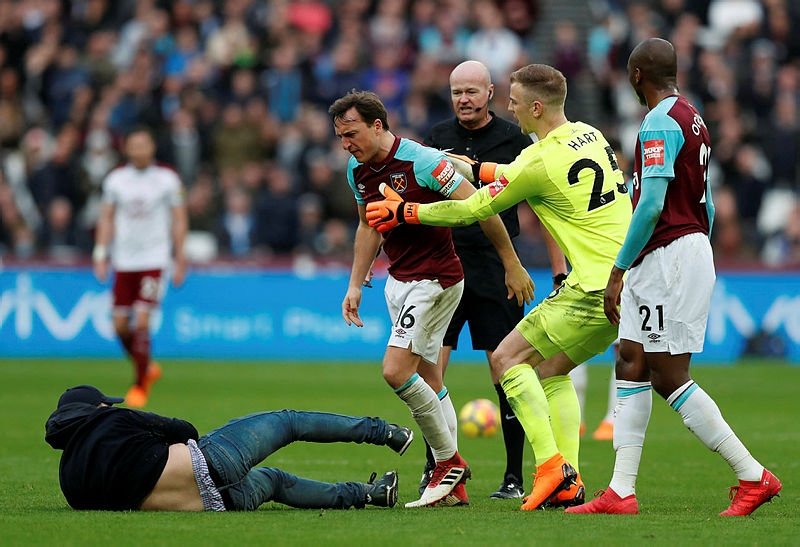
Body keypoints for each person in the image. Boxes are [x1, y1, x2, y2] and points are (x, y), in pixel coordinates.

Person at [366, 64, 632, 511]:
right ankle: (569, 479)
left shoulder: (537, 159)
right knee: (552, 370)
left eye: (514, 101)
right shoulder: (589, 134)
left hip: (591, 287)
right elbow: (519, 172)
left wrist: (407, 212)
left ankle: (550, 468)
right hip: (623, 281)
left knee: (507, 359)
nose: (509, 107)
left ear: (535, 107)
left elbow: (471, 209)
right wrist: (475, 166)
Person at [567, 38, 782, 517]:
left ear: (636, 75)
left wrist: (620, 269)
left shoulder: (659, 121)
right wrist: (696, 243)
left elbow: (651, 203)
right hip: (675, 249)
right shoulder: (694, 117)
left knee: (668, 374)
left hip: (668, 254)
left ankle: (753, 475)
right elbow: (707, 201)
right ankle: (621, 491)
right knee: (630, 360)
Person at [329, 90, 534, 508]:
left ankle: (448, 463)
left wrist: (511, 262)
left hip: (436, 280)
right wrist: (354, 283)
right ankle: (454, 487)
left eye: (351, 134)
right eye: (340, 137)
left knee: (395, 371)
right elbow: (368, 226)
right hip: (399, 280)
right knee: (430, 380)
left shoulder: (422, 161)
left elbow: (482, 206)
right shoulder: (357, 169)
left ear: (377, 126)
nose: (346, 144)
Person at [421, 60, 567, 500]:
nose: (464, 99)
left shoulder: (514, 139)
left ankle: (514, 477)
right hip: (444, 265)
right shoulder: (436, 138)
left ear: (489, 93)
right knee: (431, 371)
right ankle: (436, 469)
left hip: (499, 268)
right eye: (456, 92)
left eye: (472, 91)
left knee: (506, 368)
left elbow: (544, 207)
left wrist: (557, 270)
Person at [44, 384, 411, 511]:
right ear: (96, 408)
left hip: (213, 504)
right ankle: (384, 432)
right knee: (290, 422)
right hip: (210, 463)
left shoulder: (69, 482)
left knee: (275, 482)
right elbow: (184, 429)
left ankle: (371, 495)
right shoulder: (112, 420)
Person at [93, 127, 188, 408]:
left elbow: (179, 218)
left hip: (154, 259)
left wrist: (179, 257)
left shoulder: (167, 179)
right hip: (124, 260)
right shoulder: (116, 180)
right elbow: (106, 217)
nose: (139, 150)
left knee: (143, 321)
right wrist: (100, 253)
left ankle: (140, 384)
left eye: (144, 144)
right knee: (120, 326)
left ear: (152, 147)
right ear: (127, 148)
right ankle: (146, 366)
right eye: (134, 145)